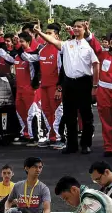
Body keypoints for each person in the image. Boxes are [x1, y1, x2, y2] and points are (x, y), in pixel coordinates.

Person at [34, 21, 99, 154]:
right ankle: (72, 145)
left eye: (79, 27)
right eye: (74, 26)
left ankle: (86, 144)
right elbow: (53, 41)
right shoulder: (67, 44)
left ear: (84, 28)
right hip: (69, 83)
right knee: (70, 115)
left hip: (84, 82)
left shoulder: (89, 45)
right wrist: (39, 32)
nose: (76, 29)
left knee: (86, 115)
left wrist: (95, 85)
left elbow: (96, 65)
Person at [19, 23, 64, 147]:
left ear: (57, 35)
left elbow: (63, 70)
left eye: (49, 34)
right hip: (43, 86)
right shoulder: (42, 49)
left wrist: (60, 87)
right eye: (46, 33)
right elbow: (28, 58)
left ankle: (61, 138)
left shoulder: (60, 49)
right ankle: (52, 137)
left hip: (55, 86)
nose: (46, 36)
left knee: (58, 112)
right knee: (46, 111)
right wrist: (19, 44)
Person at [0, 32, 41, 145]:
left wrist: (17, 45)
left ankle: (35, 137)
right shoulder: (16, 56)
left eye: (22, 41)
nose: (20, 43)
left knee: (32, 113)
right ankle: (25, 134)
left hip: (30, 89)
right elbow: (2, 53)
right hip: (19, 89)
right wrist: (0, 39)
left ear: (28, 42)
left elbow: (26, 57)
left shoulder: (33, 55)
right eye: (19, 41)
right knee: (20, 112)